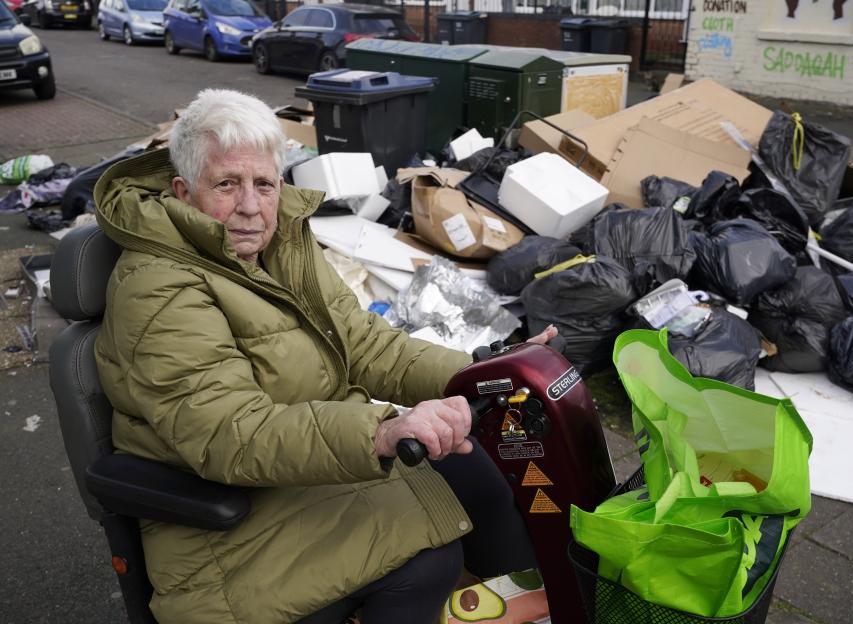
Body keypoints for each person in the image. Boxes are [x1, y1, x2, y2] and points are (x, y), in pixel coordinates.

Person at [93, 89, 556, 624]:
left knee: (479, 470)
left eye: (263, 184)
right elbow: (231, 433)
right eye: (226, 184)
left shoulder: (281, 242)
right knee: (427, 562)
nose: (250, 205)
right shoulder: (158, 287)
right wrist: (379, 432)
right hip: (229, 522)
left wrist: (482, 373)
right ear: (184, 190)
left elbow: (363, 342)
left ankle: (537, 609)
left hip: (307, 466)